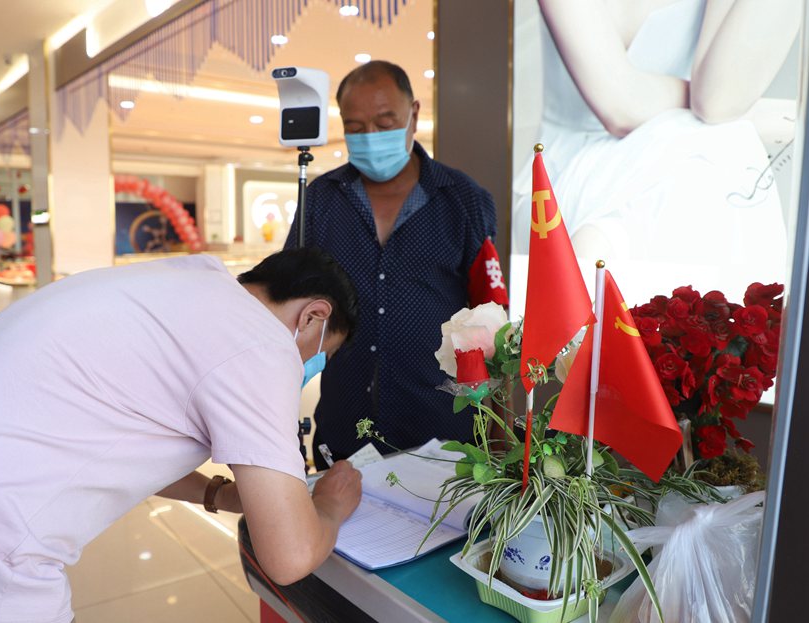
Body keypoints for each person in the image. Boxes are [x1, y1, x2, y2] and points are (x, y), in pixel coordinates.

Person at [0, 248, 362, 623]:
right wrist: (330, 507)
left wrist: (220, 494)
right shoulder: (260, 342)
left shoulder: (179, 286)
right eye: (319, 355)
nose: (306, 368)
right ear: (313, 316)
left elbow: (119, 435)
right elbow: (289, 556)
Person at [512, 0, 799, 303]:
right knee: (722, 145)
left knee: (721, 150)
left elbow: (717, 101)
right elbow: (621, 106)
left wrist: (724, 107)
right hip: (561, 175)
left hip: (678, 154)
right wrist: (753, 114)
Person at [285, 60, 498, 462]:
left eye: (385, 123)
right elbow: (289, 303)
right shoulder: (322, 200)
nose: (370, 137)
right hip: (345, 428)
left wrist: (497, 420)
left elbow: (490, 315)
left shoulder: (463, 200)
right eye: (355, 127)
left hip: (443, 431)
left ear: (413, 114)